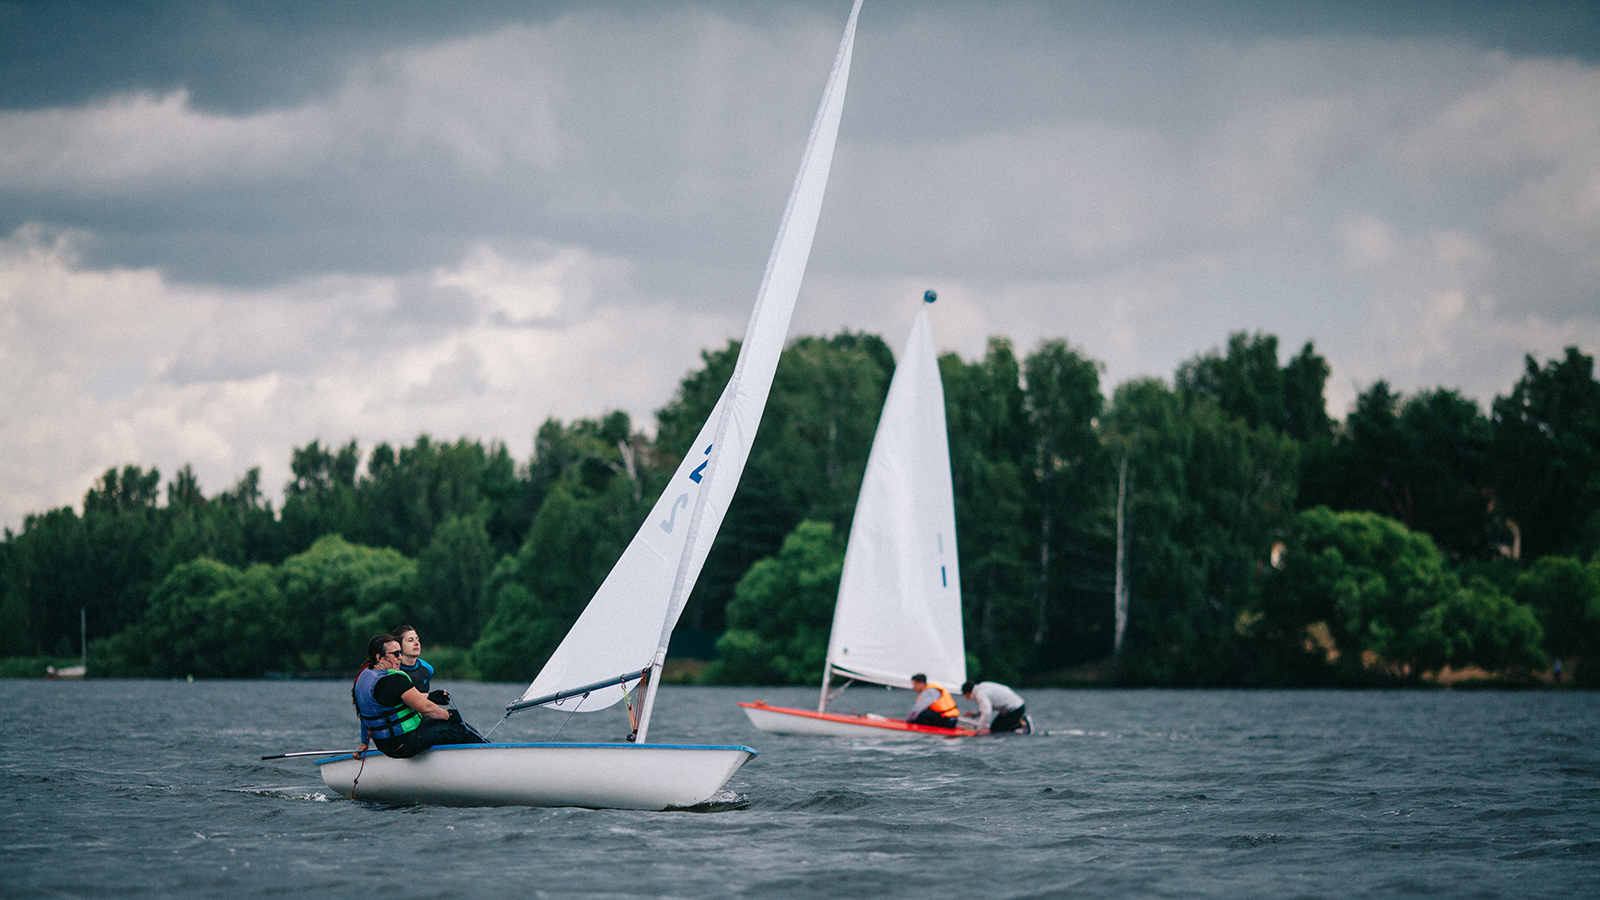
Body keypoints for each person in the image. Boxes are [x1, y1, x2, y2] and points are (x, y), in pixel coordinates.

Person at [352, 634, 486, 758]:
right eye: (396, 654)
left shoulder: (364, 678)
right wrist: (450, 715)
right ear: (379, 657)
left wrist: (364, 743)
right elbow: (426, 708)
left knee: (446, 726)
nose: (400, 657)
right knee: (459, 729)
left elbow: (367, 716)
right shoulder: (394, 680)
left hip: (385, 745)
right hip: (403, 743)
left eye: (401, 652)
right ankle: (488, 757)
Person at [390, 624, 450, 706]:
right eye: (410, 640)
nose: (416, 643)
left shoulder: (427, 669)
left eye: (417, 639)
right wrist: (430, 697)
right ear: (398, 646)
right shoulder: (392, 669)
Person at [961, 680, 1031, 734]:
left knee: (996, 729)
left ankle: (1022, 724)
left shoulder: (980, 694)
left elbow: (987, 713)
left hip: (1016, 709)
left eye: (965, 696)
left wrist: (976, 730)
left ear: (967, 694)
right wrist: (974, 714)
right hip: (1014, 707)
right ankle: (1018, 721)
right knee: (995, 727)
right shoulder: (981, 688)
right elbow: (986, 709)